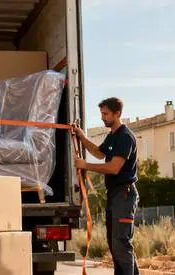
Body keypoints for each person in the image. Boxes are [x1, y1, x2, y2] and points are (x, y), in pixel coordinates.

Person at [72, 97, 140, 275]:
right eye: (101, 114)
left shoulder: (125, 137)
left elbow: (113, 167)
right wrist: (82, 137)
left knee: (120, 242)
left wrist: (86, 165)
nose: (102, 118)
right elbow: (99, 153)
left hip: (124, 195)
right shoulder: (113, 136)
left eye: (106, 114)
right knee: (114, 242)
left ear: (117, 114)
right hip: (115, 194)